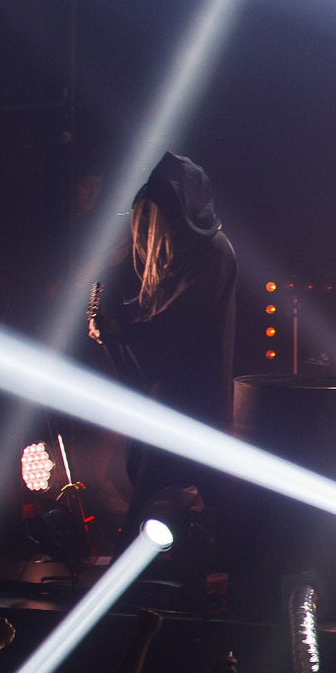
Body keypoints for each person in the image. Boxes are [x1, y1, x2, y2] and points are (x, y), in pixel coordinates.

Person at [89, 151, 239, 538]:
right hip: (167, 408)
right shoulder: (185, 257)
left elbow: (176, 331)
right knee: (165, 520)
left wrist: (120, 331)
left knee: (168, 516)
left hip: (191, 409)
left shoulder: (214, 255)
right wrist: (113, 331)